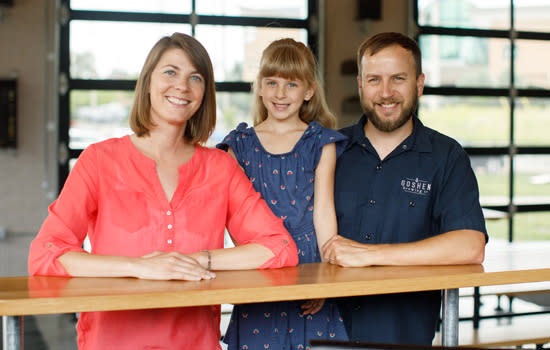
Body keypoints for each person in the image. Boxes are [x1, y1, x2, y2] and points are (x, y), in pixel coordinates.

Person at [28, 33, 298, 350]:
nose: (181, 86)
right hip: (111, 342)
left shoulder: (220, 167)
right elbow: (46, 254)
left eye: (194, 77)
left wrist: (198, 260)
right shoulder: (99, 160)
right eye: (170, 72)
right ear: (148, 82)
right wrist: (140, 267)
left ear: (204, 94)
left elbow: (279, 248)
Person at [322, 32, 488, 345]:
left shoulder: (447, 157)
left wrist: (372, 255)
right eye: (374, 80)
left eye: (398, 78)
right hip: (323, 335)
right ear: (360, 85)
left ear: (419, 83)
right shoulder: (329, 151)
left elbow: (470, 246)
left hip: (403, 338)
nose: (386, 93)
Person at [217, 38, 349, 349]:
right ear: (259, 87)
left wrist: (326, 278)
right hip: (260, 261)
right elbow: (235, 217)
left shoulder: (321, 142)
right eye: (272, 82)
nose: (280, 93)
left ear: (308, 91)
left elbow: (324, 211)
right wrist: (251, 258)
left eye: (291, 84)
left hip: (309, 265)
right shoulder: (239, 145)